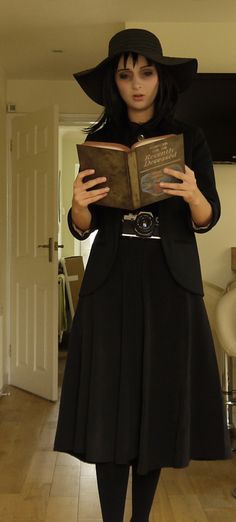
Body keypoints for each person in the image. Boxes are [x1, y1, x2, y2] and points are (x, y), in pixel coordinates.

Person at [54, 28, 231, 522]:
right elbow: (82, 229)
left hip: (168, 283)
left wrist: (194, 193)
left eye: (146, 73)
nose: (137, 84)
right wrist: (78, 207)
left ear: (160, 79)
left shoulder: (190, 139)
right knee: (111, 407)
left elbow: (205, 219)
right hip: (111, 283)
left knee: (153, 407)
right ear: (116, 80)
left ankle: (141, 518)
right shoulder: (97, 141)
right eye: (127, 73)